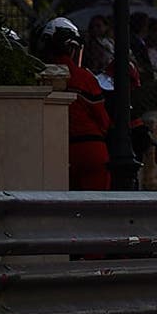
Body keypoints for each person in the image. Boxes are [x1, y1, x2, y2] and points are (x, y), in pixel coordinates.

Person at [39, 17, 110, 191]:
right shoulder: (84, 78)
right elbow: (103, 120)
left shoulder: (37, 77)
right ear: (72, 48)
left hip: (52, 151)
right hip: (90, 149)